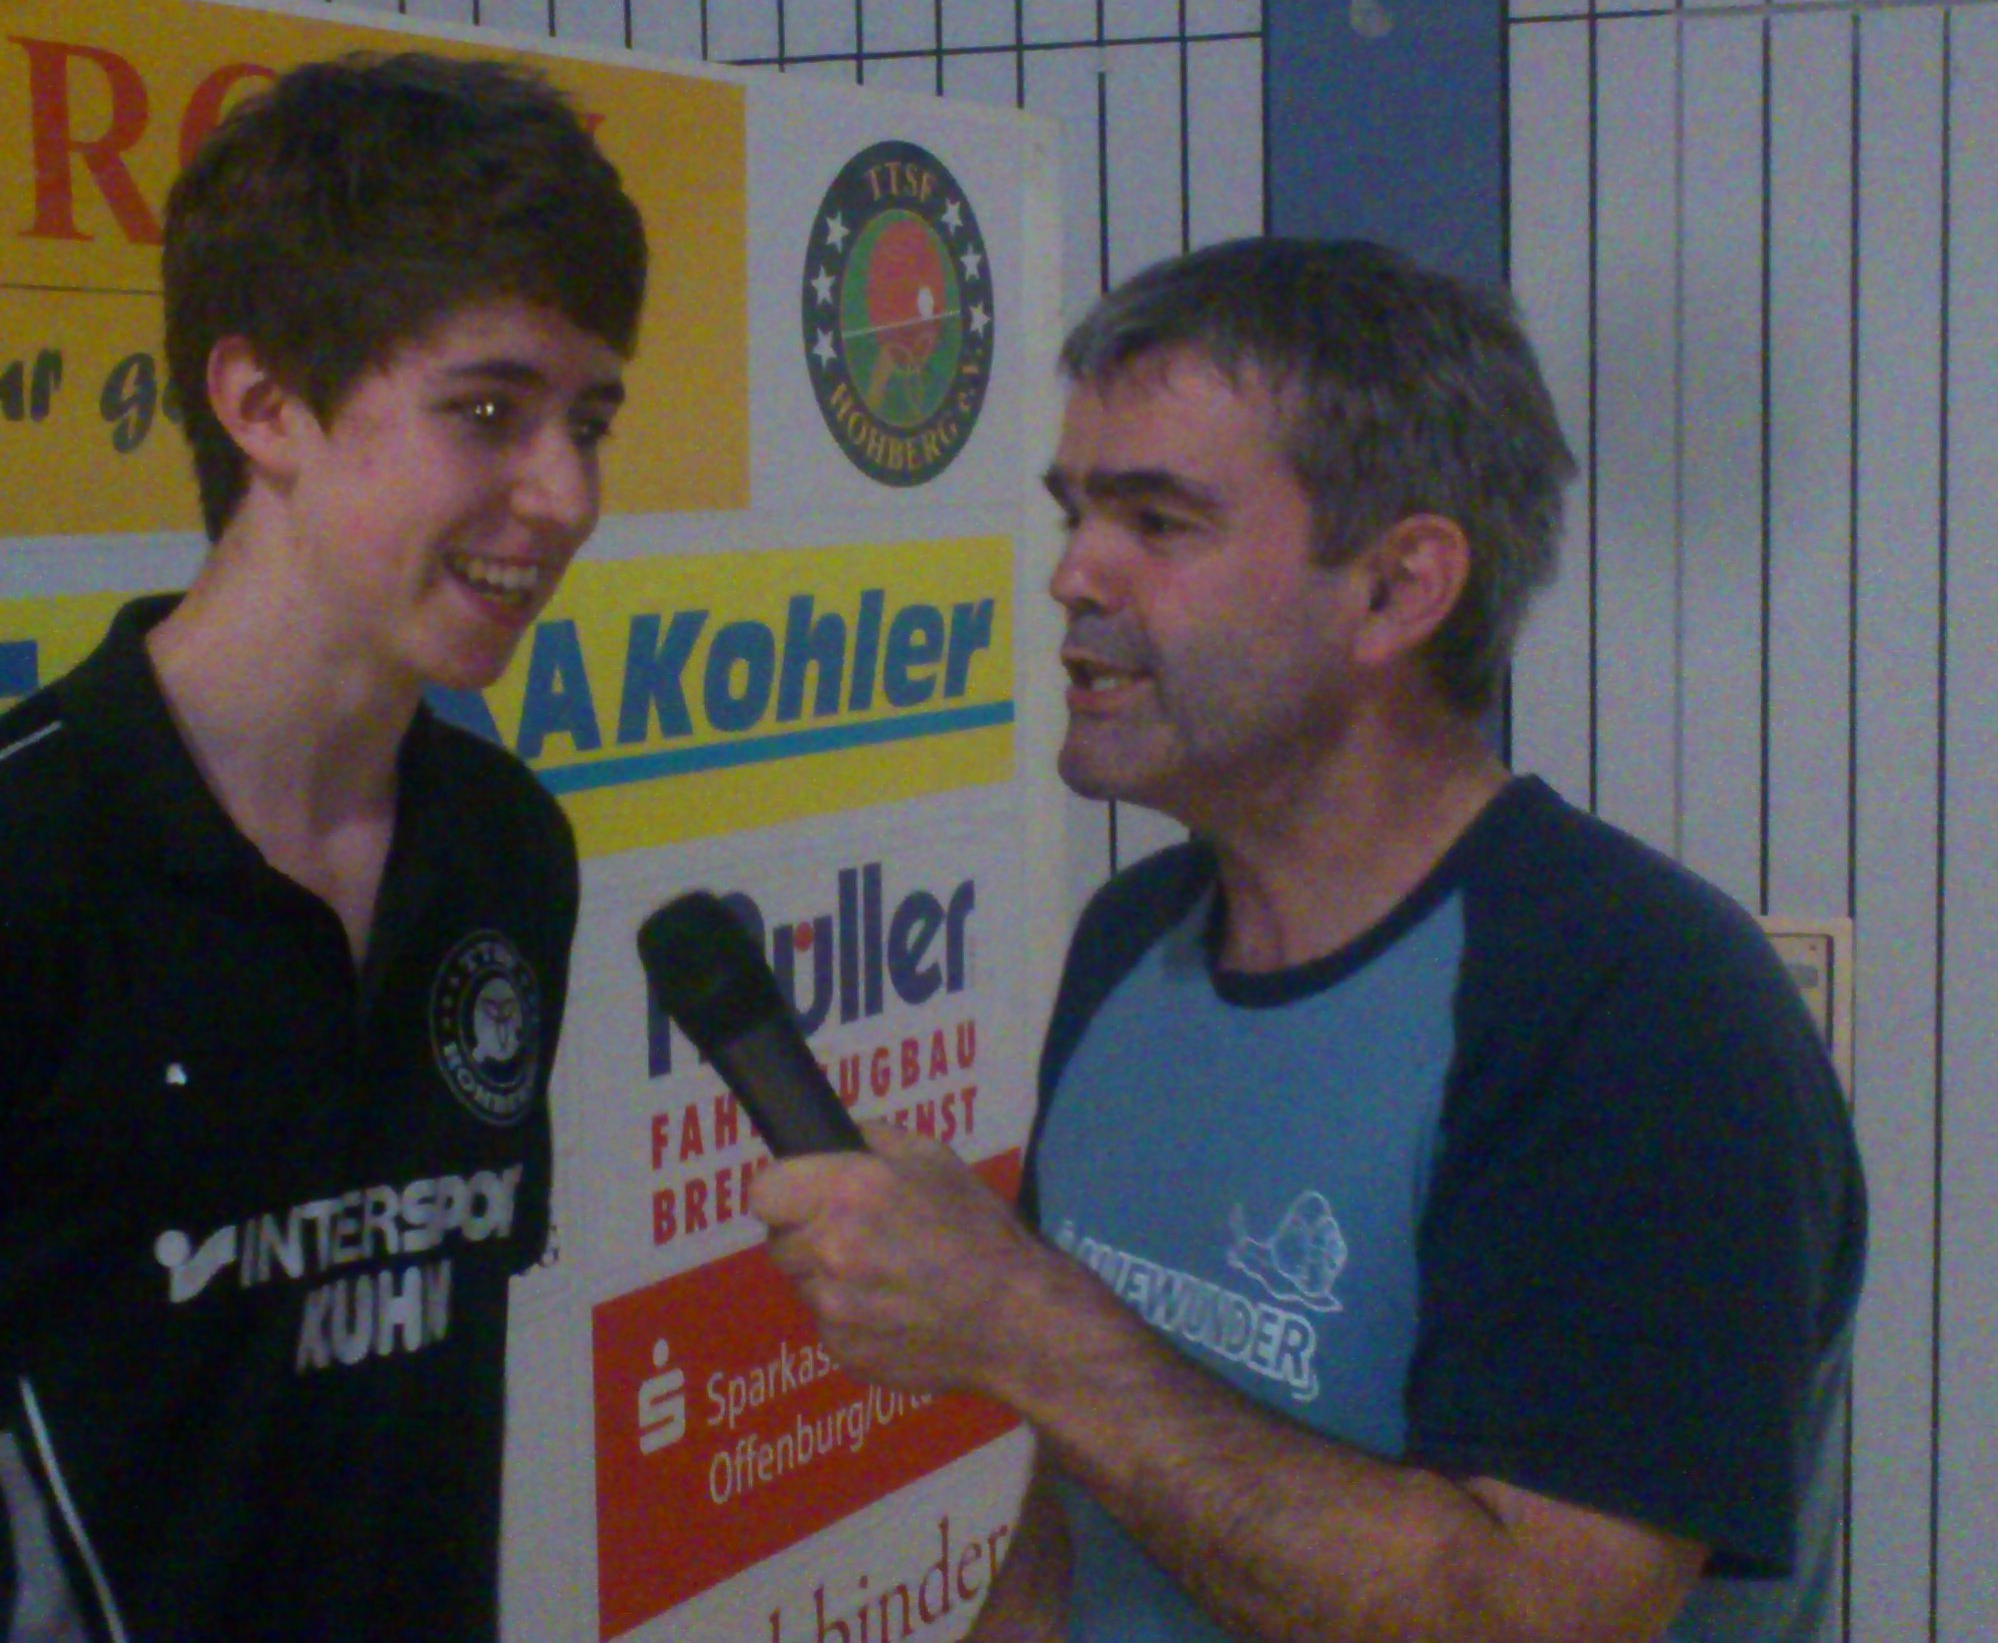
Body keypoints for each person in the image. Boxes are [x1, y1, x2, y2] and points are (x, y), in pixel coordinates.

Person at [0, 50, 646, 1642]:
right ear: (261, 404)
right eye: (488, 412)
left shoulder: (504, 853)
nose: (567, 493)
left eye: (588, 419)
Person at [753, 237, 1866, 1643]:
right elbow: (1078, 1514)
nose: (1074, 574)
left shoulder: (1641, 1008)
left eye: (1157, 521)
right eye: (1075, 513)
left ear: (1396, 589)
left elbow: (1532, 1616)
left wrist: (1020, 1321)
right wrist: (1036, 1354)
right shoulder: (1131, 942)